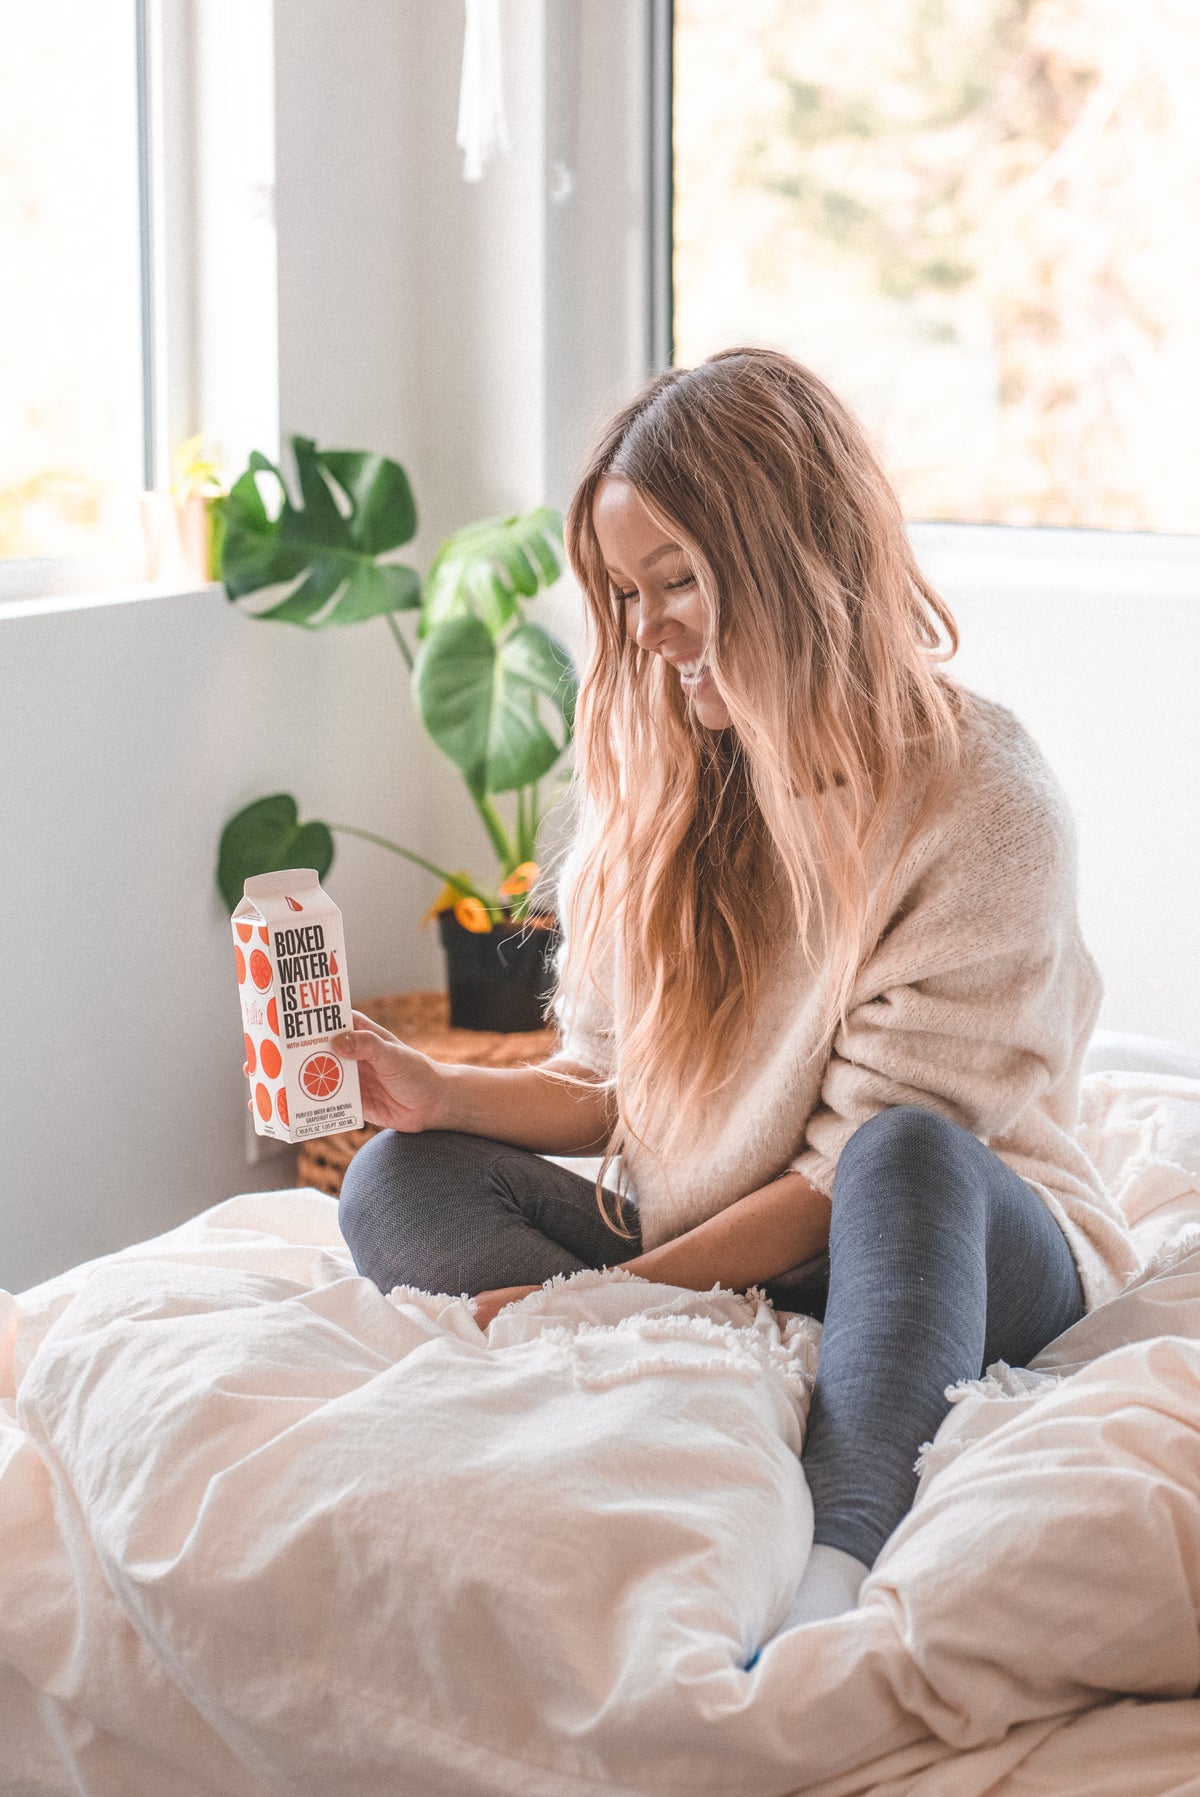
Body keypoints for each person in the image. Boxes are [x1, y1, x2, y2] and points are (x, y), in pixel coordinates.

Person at [334, 348, 1138, 1629]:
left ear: (785, 565)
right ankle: (692, 1385)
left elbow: (850, 1169)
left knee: (904, 1160)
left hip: (950, 1238)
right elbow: (612, 1089)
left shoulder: (982, 796)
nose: (646, 631)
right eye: (626, 593)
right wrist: (441, 1093)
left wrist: (605, 1301)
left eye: (679, 583)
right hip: (715, 1244)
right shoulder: (663, 779)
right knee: (398, 1176)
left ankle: (838, 1558)